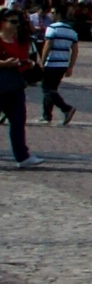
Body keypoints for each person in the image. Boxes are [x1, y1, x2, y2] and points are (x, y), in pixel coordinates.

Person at [0, 11, 34, 167]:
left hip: (14, 84)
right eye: (13, 21)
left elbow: (22, 58)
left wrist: (26, 63)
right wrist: (4, 63)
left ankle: (23, 157)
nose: (16, 25)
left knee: (18, 120)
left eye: (17, 22)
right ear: (3, 22)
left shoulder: (19, 40)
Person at [36, 6, 77, 126]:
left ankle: (66, 108)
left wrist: (42, 62)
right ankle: (46, 115)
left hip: (52, 63)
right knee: (52, 88)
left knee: (47, 89)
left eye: (53, 12)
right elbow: (75, 50)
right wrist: (70, 66)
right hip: (63, 64)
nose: (50, 14)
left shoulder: (52, 28)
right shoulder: (71, 31)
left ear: (58, 14)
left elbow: (47, 45)